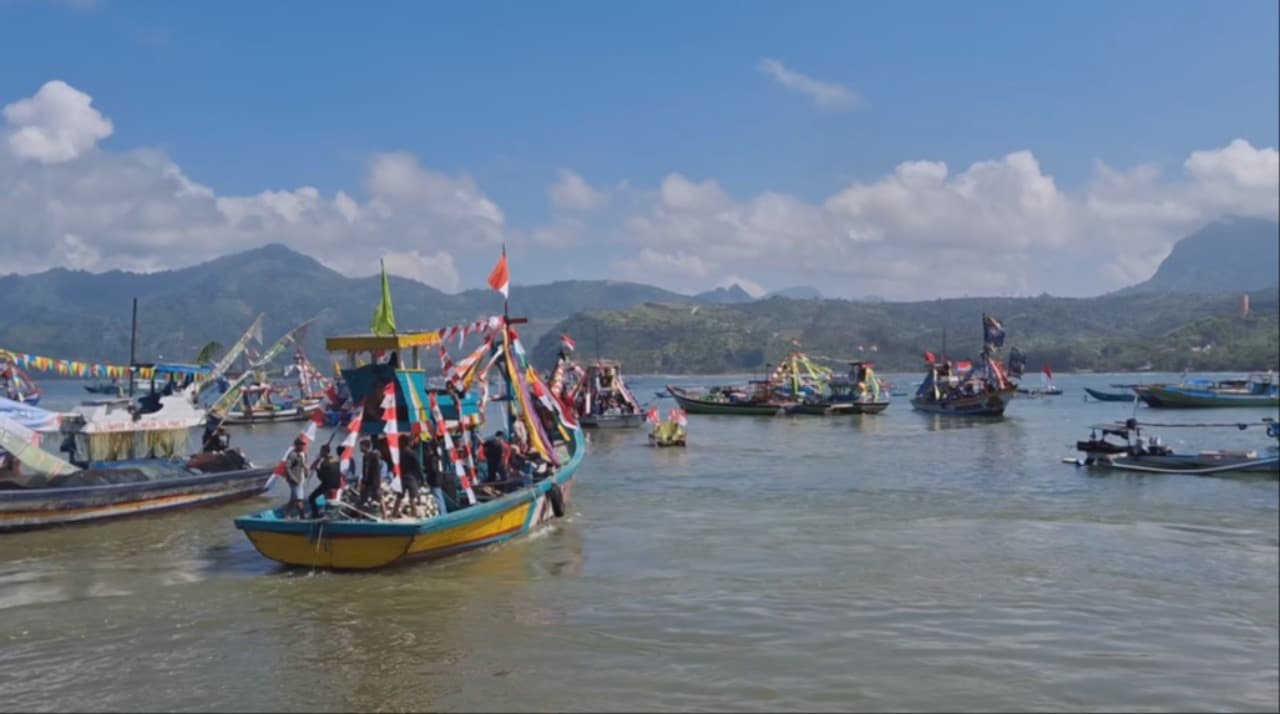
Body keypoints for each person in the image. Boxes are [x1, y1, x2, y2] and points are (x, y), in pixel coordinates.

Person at [392, 434, 423, 517]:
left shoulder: (399, 453)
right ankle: (415, 514)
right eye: (412, 441)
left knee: (399, 497)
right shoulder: (412, 453)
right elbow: (418, 467)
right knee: (412, 498)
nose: (413, 442)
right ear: (409, 442)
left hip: (401, 478)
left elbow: (395, 466)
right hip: (411, 478)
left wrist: (395, 476)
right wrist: (422, 479)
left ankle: (394, 514)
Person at [308, 444, 343, 518]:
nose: (320, 453)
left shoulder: (324, 463)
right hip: (337, 484)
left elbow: (321, 478)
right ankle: (327, 509)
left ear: (325, 452)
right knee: (325, 492)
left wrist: (317, 469)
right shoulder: (336, 459)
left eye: (321, 451)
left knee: (311, 498)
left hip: (328, 484)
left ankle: (315, 515)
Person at [357, 439, 386, 519]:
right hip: (371, 481)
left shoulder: (371, 456)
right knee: (362, 499)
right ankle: (359, 517)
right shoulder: (367, 456)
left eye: (361, 446)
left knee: (378, 497)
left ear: (365, 446)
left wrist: (363, 482)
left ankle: (385, 516)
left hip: (373, 482)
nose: (360, 448)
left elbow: (367, 470)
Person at [283, 437, 308, 519]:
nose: (303, 446)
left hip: (301, 478)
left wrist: (306, 472)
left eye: (303, 444)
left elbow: (304, 465)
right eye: (301, 445)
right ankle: (302, 516)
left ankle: (287, 514)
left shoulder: (304, 454)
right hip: (294, 480)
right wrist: (293, 478)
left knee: (294, 498)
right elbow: (287, 467)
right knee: (299, 499)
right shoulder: (293, 455)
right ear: (296, 445)